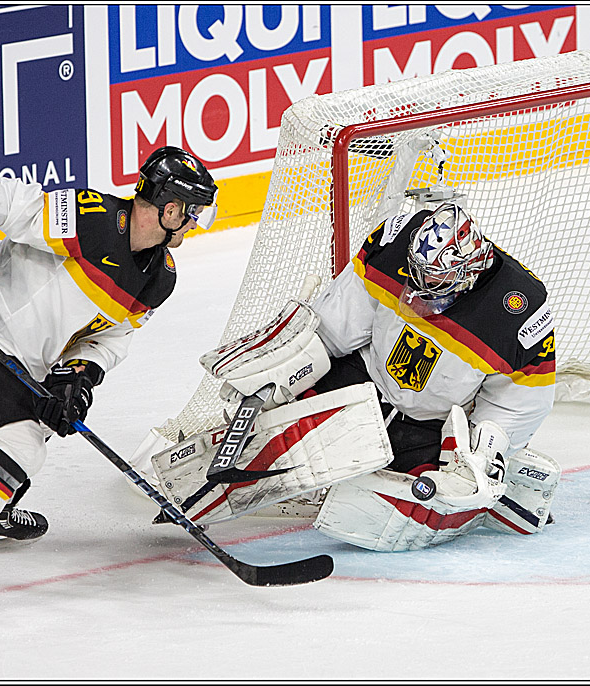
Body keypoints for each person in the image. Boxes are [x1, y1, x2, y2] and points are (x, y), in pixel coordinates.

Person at [0, 146, 218, 629]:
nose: (195, 222)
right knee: (21, 444)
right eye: (191, 211)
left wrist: (79, 374)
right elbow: (1, 199)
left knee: (39, 426)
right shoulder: (91, 218)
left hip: (25, 357)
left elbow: (112, 335)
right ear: (168, 207)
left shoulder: (159, 278)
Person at [147, 200, 559, 551]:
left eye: (431, 288)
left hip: (429, 426)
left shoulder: (518, 308)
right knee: (282, 432)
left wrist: (482, 455)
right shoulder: (395, 244)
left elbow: (517, 401)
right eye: (413, 281)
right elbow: (334, 326)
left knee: (406, 507)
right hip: (363, 380)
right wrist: (283, 375)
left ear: (469, 274)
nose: (415, 297)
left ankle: (500, 492)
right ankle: (187, 491)